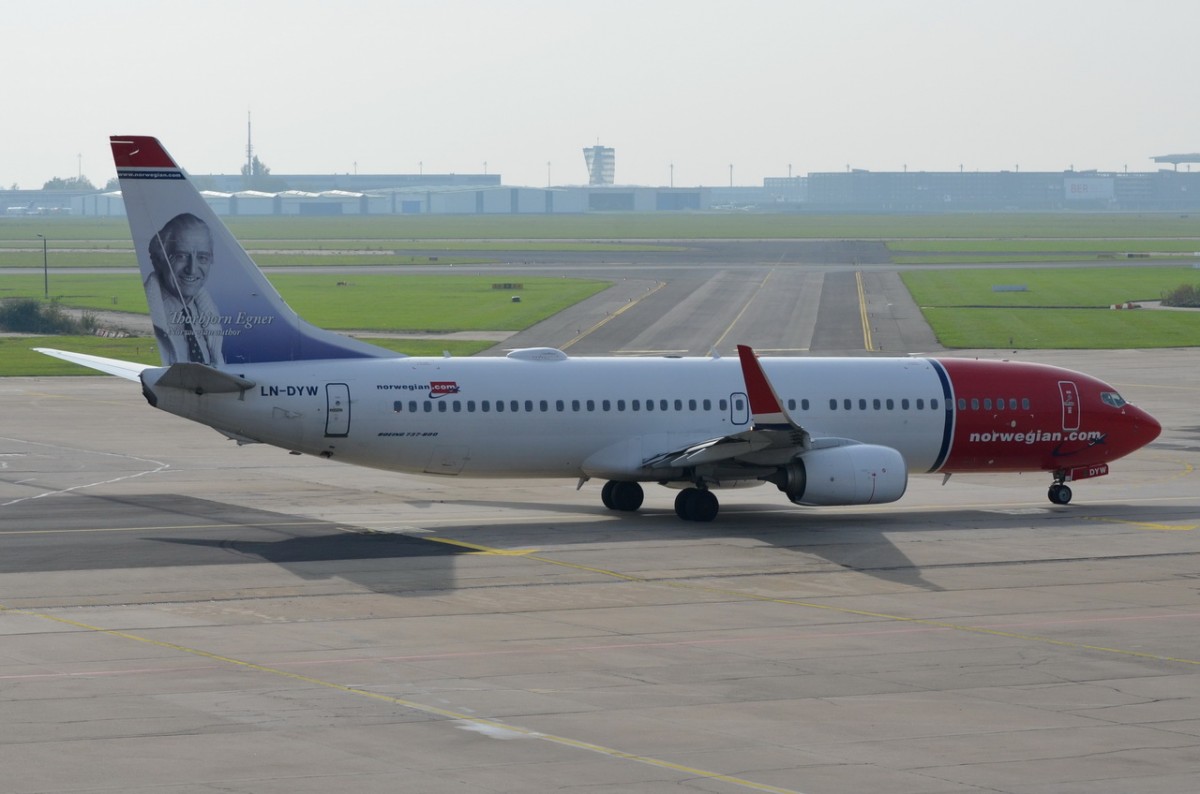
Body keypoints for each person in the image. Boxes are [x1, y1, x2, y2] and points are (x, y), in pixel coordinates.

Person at [144, 212, 225, 365]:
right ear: (160, 259)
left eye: (202, 258)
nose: (192, 269)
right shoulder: (151, 313)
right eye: (181, 256)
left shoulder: (207, 313)